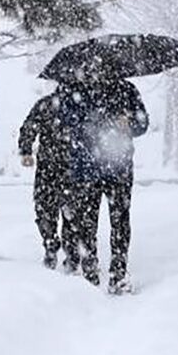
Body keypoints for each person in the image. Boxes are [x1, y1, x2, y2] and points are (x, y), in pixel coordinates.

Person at [58, 79, 147, 295]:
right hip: (88, 168)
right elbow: (65, 122)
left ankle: (118, 273)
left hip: (118, 168)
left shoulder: (126, 90)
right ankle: (90, 272)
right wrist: (95, 123)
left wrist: (129, 123)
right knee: (88, 223)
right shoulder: (75, 90)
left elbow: (142, 124)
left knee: (120, 221)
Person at [18, 87, 77, 272]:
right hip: (69, 167)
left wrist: (26, 149)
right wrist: (26, 149)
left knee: (47, 209)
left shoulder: (46, 104)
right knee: (70, 212)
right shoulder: (78, 104)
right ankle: (67, 251)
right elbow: (29, 127)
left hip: (50, 166)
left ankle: (53, 245)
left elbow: (28, 127)